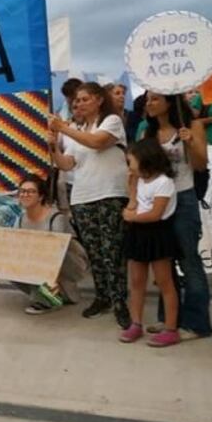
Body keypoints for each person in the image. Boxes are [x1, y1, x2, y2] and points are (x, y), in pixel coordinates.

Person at [49, 82, 129, 328]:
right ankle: (102, 297)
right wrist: (53, 145)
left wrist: (63, 127)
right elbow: (67, 164)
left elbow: (97, 142)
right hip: (83, 197)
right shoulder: (77, 130)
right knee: (94, 252)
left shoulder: (111, 122)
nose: (78, 104)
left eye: (84, 99)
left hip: (109, 194)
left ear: (99, 99)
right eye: (76, 101)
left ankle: (120, 303)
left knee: (112, 251)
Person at [140, 92, 212, 341]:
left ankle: (197, 323)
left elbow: (201, 164)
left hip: (184, 199)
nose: (149, 103)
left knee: (189, 260)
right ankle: (169, 318)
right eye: (148, 99)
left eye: (155, 99)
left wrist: (191, 142)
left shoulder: (190, 125)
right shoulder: (147, 133)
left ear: (170, 102)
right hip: (158, 202)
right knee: (164, 261)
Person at [0, 175, 88, 314]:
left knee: (40, 258)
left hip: (66, 262)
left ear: (41, 196)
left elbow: (57, 251)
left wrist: (50, 278)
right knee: (12, 263)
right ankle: (47, 296)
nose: (25, 195)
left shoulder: (56, 218)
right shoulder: (20, 219)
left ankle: (56, 293)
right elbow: (8, 247)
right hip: (41, 262)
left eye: (31, 191)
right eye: (22, 191)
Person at [119, 139, 181, 347]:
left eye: (131, 162)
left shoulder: (164, 182)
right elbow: (133, 205)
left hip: (157, 233)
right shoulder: (139, 181)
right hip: (138, 232)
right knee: (136, 282)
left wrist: (131, 216)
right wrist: (131, 190)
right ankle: (136, 323)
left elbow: (155, 214)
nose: (129, 167)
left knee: (165, 282)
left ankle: (171, 328)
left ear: (145, 159)